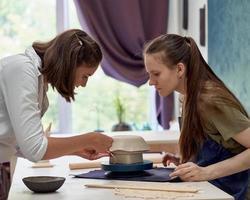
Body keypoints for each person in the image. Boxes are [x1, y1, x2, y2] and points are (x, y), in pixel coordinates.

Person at [0, 29, 113, 199]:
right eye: (85, 76)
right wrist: (90, 139)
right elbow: (34, 149)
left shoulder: (36, 78)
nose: (83, 84)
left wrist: (75, 149)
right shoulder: (22, 70)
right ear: (70, 63)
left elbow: (19, 145)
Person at [143, 34, 250, 200]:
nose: (150, 82)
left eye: (156, 74)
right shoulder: (185, 98)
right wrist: (187, 162)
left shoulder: (209, 100)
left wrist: (205, 171)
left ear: (179, 69)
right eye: (149, 74)